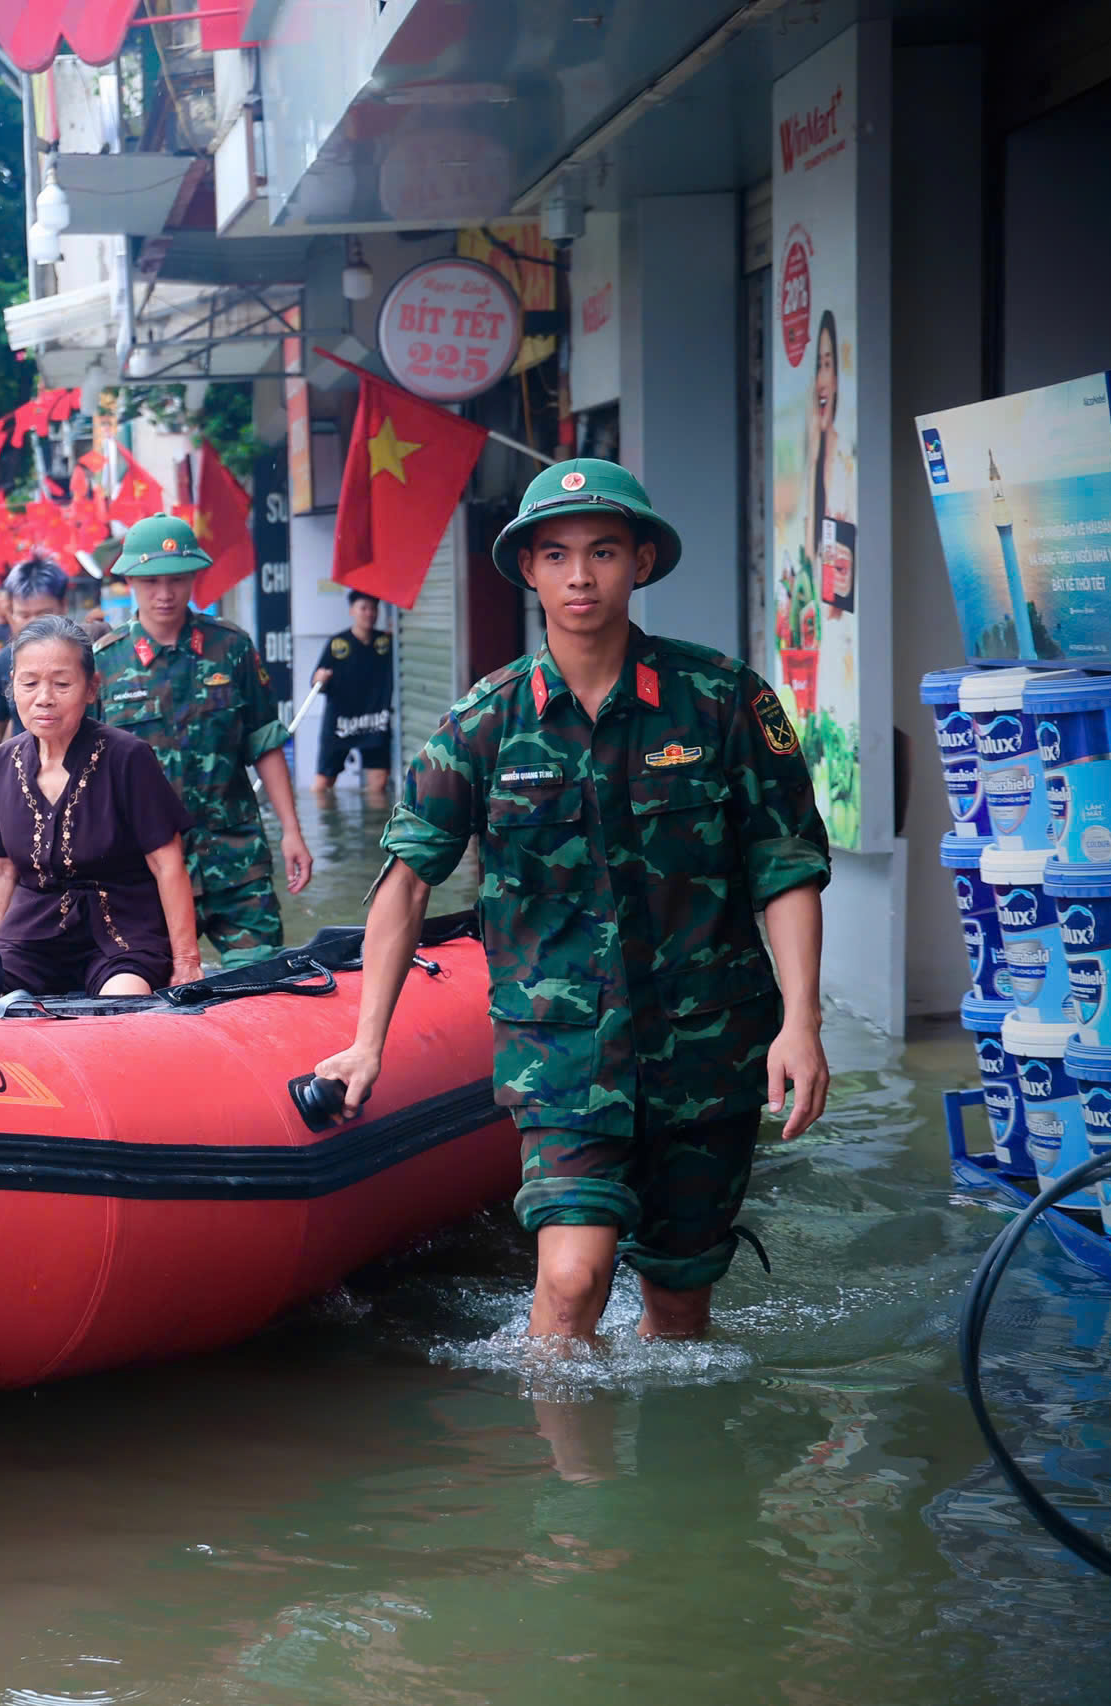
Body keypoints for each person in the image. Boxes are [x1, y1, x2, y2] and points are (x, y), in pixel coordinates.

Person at [312, 458, 831, 1345]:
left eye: (602, 552)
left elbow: (785, 864)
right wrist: (367, 1043)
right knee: (569, 1280)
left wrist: (802, 1021)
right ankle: (571, 1484)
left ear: (641, 562)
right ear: (528, 570)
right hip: (559, 1052)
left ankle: (667, 1485)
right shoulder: (483, 722)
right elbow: (405, 883)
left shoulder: (723, 701)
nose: (580, 577)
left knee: (679, 1306)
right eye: (556, 555)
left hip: (706, 1045)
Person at [95, 512, 312, 968]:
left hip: (235, 861)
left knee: (266, 986)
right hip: (146, 871)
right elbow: (82, 774)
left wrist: (292, 831)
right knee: (149, 999)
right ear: (130, 581)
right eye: (151, 581)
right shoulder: (103, 665)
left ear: (194, 577)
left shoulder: (231, 648)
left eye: (176, 579)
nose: (164, 593)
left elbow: (265, 743)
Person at [0, 617, 201, 995]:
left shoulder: (128, 757)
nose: (44, 697)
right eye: (29, 683)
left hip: (122, 934)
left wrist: (187, 961)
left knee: (124, 999)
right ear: (11, 686)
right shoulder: (0, 763)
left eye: (62, 684)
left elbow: (167, 864)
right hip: (30, 937)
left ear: (92, 688)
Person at [0, 553, 71, 759]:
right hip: (24, 773)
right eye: (24, 615)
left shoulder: (89, 654)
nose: (34, 623)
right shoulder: (5, 659)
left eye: (44, 613)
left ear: (63, 607)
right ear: (12, 612)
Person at [312, 590, 394, 804]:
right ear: (352, 611)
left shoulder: (385, 643)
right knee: (322, 784)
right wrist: (319, 679)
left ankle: (375, 832)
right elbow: (316, 683)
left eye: (373, 609)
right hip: (341, 722)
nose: (369, 613)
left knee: (378, 785)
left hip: (375, 721)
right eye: (363, 608)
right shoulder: (338, 644)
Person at [806, 310, 856, 614]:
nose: (822, 380)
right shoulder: (813, 459)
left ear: (837, 378)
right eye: (818, 367)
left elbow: (839, 596)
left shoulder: (844, 464)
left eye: (828, 365)